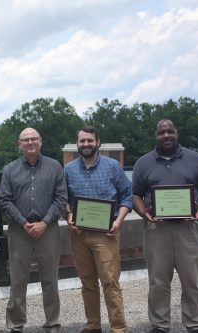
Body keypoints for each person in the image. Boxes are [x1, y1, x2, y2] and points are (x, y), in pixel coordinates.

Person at [132, 119, 198, 333]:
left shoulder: (195, 159)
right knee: (158, 281)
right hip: (156, 229)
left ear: (176, 133)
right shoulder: (143, 163)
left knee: (193, 280)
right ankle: (160, 324)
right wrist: (143, 212)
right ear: (156, 135)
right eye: (162, 132)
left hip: (190, 228)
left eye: (170, 131)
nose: (166, 135)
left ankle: (194, 323)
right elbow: (135, 195)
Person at [0, 128, 68, 333]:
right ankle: (16, 324)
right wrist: (22, 222)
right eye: (25, 140)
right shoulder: (9, 170)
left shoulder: (55, 167)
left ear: (41, 141)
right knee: (18, 279)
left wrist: (45, 222)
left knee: (50, 278)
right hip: (20, 230)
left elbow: (61, 198)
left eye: (33, 139)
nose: (30, 142)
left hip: (48, 229)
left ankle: (52, 322)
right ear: (19, 144)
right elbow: (4, 200)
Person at [64, 126, 132, 333]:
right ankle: (93, 324)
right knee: (87, 282)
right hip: (79, 234)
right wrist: (68, 215)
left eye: (89, 141)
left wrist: (118, 221)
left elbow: (127, 195)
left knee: (110, 281)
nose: (86, 144)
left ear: (98, 142)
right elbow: (63, 199)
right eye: (82, 141)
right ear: (77, 144)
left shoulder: (112, 166)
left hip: (106, 233)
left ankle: (118, 328)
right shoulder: (68, 169)